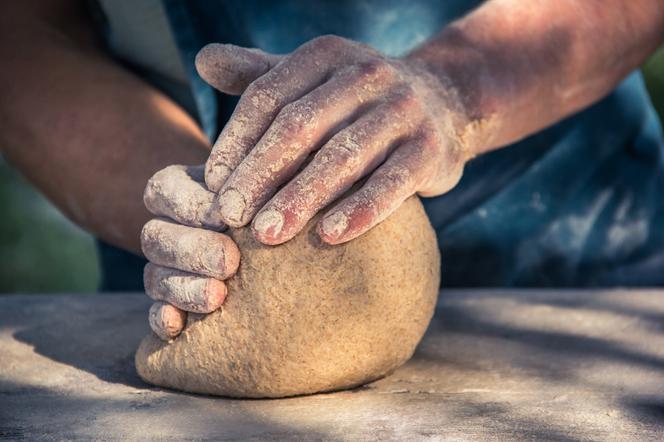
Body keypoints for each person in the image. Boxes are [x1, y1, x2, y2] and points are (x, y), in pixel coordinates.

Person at [2, 0, 664, 339]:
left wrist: (457, 90)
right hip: (178, 270)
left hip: (569, 233)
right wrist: (193, 206)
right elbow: (26, 33)